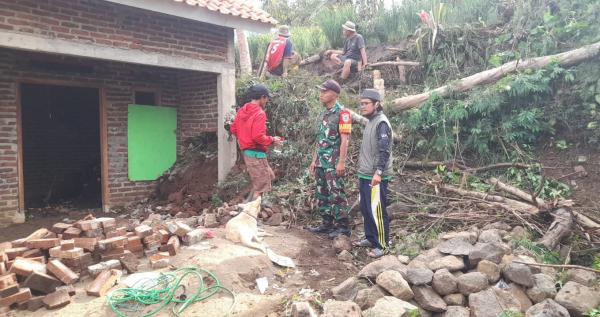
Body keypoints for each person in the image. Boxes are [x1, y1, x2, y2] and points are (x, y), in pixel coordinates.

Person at [307, 80, 352, 239]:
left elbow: (345, 139)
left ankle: (343, 227)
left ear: (334, 94)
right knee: (322, 192)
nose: (321, 95)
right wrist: (314, 160)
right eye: (321, 91)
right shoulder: (325, 113)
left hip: (333, 162)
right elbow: (320, 139)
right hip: (321, 161)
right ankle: (327, 223)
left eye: (324, 92)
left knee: (336, 192)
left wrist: (341, 162)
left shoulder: (343, 113)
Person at [353, 89, 393, 258]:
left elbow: (384, 151)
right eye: (361, 104)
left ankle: (383, 245)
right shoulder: (371, 121)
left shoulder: (382, 123)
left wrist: (378, 172)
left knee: (377, 210)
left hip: (375, 176)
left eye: (366, 104)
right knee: (366, 208)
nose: (362, 107)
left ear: (376, 104)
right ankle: (370, 238)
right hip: (365, 173)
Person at [230, 84, 283, 200]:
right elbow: (258, 137)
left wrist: (244, 139)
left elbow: (233, 129)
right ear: (262, 97)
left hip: (249, 153)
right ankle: (252, 214)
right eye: (267, 98)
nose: (267, 100)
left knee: (269, 176)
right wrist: (273, 140)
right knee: (262, 187)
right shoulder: (259, 113)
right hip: (256, 154)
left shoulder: (242, 111)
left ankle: (248, 205)